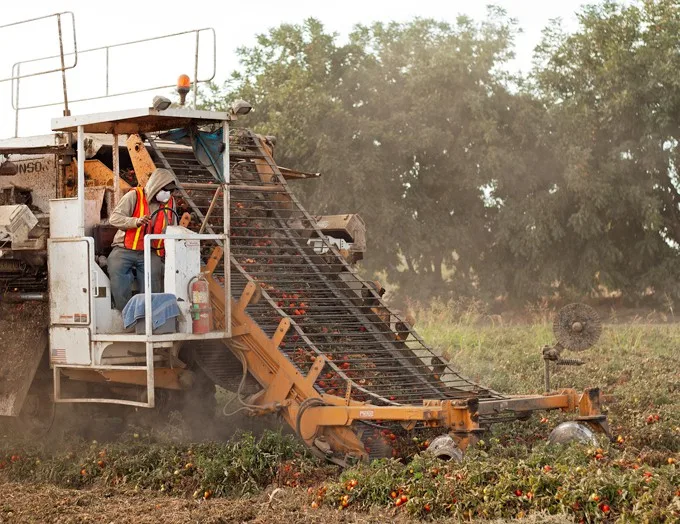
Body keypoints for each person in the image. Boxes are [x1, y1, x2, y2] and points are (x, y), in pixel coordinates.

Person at [108, 168, 178, 311]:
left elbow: (173, 227)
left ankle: (149, 315)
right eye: (165, 190)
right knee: (116, 269)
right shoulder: (133, 196)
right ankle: (127, 313)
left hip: (150, 252)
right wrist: (135, 221)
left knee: (154, 275)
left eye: (170, 191)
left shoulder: (171, 202)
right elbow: (114, 219)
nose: (168, 194)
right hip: (124, 249)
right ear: (156, 186)